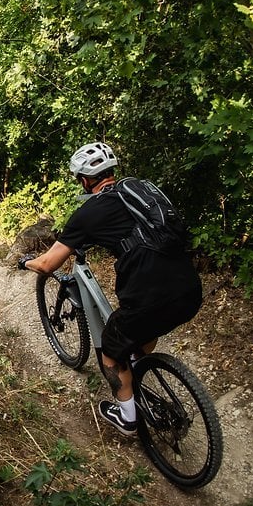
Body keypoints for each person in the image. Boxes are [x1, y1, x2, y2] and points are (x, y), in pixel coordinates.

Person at [18, 141, 201, 436]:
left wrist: (26, 262)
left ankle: (127, 416)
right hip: (190, 289)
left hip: (150, 298)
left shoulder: (88, 214)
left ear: (85, 179)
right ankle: (137, 363)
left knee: (110, 350)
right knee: (143, 329)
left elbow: (47, 265)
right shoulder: (139, 192)